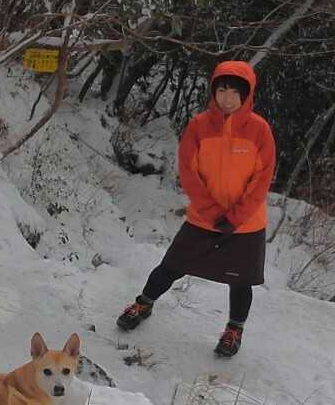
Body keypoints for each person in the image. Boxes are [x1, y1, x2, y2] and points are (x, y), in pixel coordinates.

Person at [116, 59, 275, 357]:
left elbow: (262, 179)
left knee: (241, 281)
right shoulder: (199, 126)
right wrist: (212, 212)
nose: (227, 98)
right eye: (222, 90)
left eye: (235, 92)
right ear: (213, 92)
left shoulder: (259, 130)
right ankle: (143, 303)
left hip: (245, 224)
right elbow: (189, 173)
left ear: (247, 95)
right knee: (171, 265)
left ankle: (234, 330)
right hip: (203, 219)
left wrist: (236, 217)